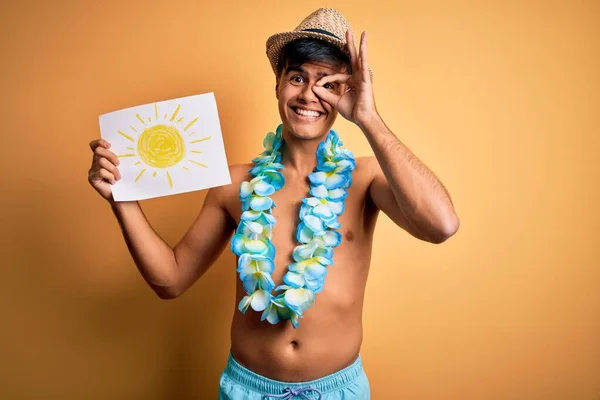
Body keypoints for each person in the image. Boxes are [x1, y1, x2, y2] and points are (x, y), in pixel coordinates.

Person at [87, 7, 459, 400]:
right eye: (297, 77)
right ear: (278, 84)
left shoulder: (367, 180)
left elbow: (442, 226)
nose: (308, 95)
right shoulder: (234, 184)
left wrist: (369, 118)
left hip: (338, 390)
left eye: (328, 84)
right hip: (247, 388)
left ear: (347, 93)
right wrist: (121, 198)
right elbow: (171, 280)